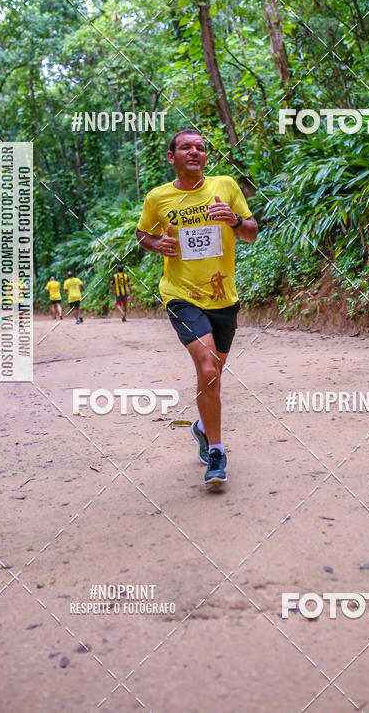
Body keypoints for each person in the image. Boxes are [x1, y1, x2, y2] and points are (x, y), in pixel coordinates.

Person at [136, 129, 258, 487]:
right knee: (207, 370)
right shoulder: (158, 198)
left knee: (214, 375)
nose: (195, 151)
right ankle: (217, 452)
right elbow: (142, 234)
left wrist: (234, 221)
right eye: (186, 147)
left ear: (206, 157)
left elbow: (251, 232)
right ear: (171, 157)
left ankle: (203, 427)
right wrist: (157, 245)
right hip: (181, 293)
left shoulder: (226, 186)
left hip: (224, 296)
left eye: (201, 148)